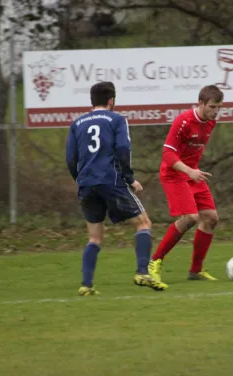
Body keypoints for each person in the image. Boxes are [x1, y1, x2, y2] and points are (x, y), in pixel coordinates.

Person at [65, 81, 168, 295]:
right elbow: (123, 148)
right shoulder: (117, 119)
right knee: (143, 224)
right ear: (111, 100)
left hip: (86, 184)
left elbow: (70, 158)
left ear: (92, 101)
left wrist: (81, 178)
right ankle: (142, 272)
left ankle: (86, 285)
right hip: (110, 180)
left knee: (94, 237)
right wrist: (129, 177)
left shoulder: (77, 123)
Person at [148, 85, 224, 282]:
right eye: (212, 107)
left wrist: (193, 172)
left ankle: (195, 271)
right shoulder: (184, 121)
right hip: (174, 174)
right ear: (200, 104)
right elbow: (167, 154)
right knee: (191, 217)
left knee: (210, 218)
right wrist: (189, 171)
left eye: (219, 108)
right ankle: (154, 261)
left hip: (193, 174)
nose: (216, 112)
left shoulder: (210, 122)